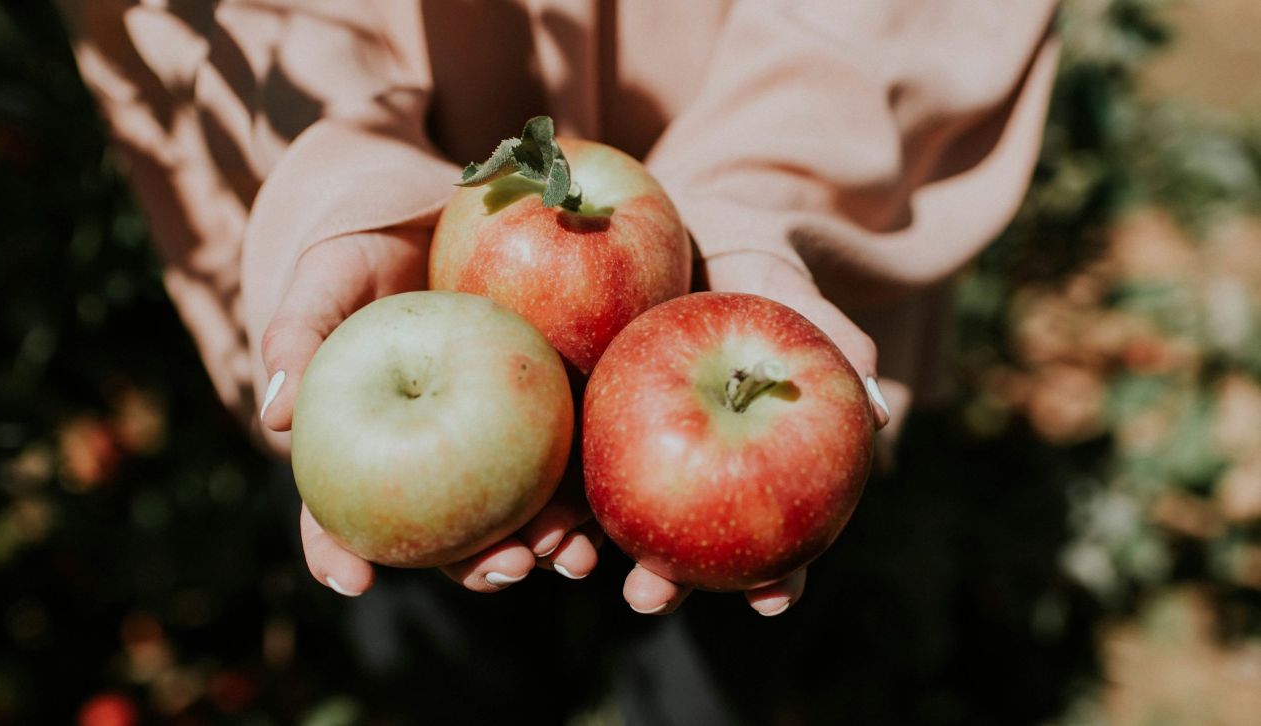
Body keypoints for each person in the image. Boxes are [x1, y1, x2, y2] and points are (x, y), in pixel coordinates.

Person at [61, 0, 1058, 625]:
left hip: (750, 279)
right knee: (443, 652)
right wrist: (352, 177)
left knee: (728, 655)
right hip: (413, 326)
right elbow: (225, 23)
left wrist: (754, 205)